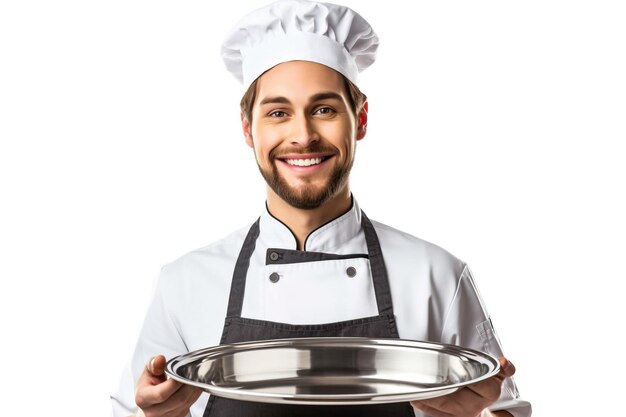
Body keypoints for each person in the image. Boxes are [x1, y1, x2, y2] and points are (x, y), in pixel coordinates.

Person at [111, 1, 532, 416]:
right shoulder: (185, 284)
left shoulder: (435, 276)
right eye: (278, 112)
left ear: (361, 119)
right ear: (247, 129)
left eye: (324, 109)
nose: (303, 135)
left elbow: (508, 410)